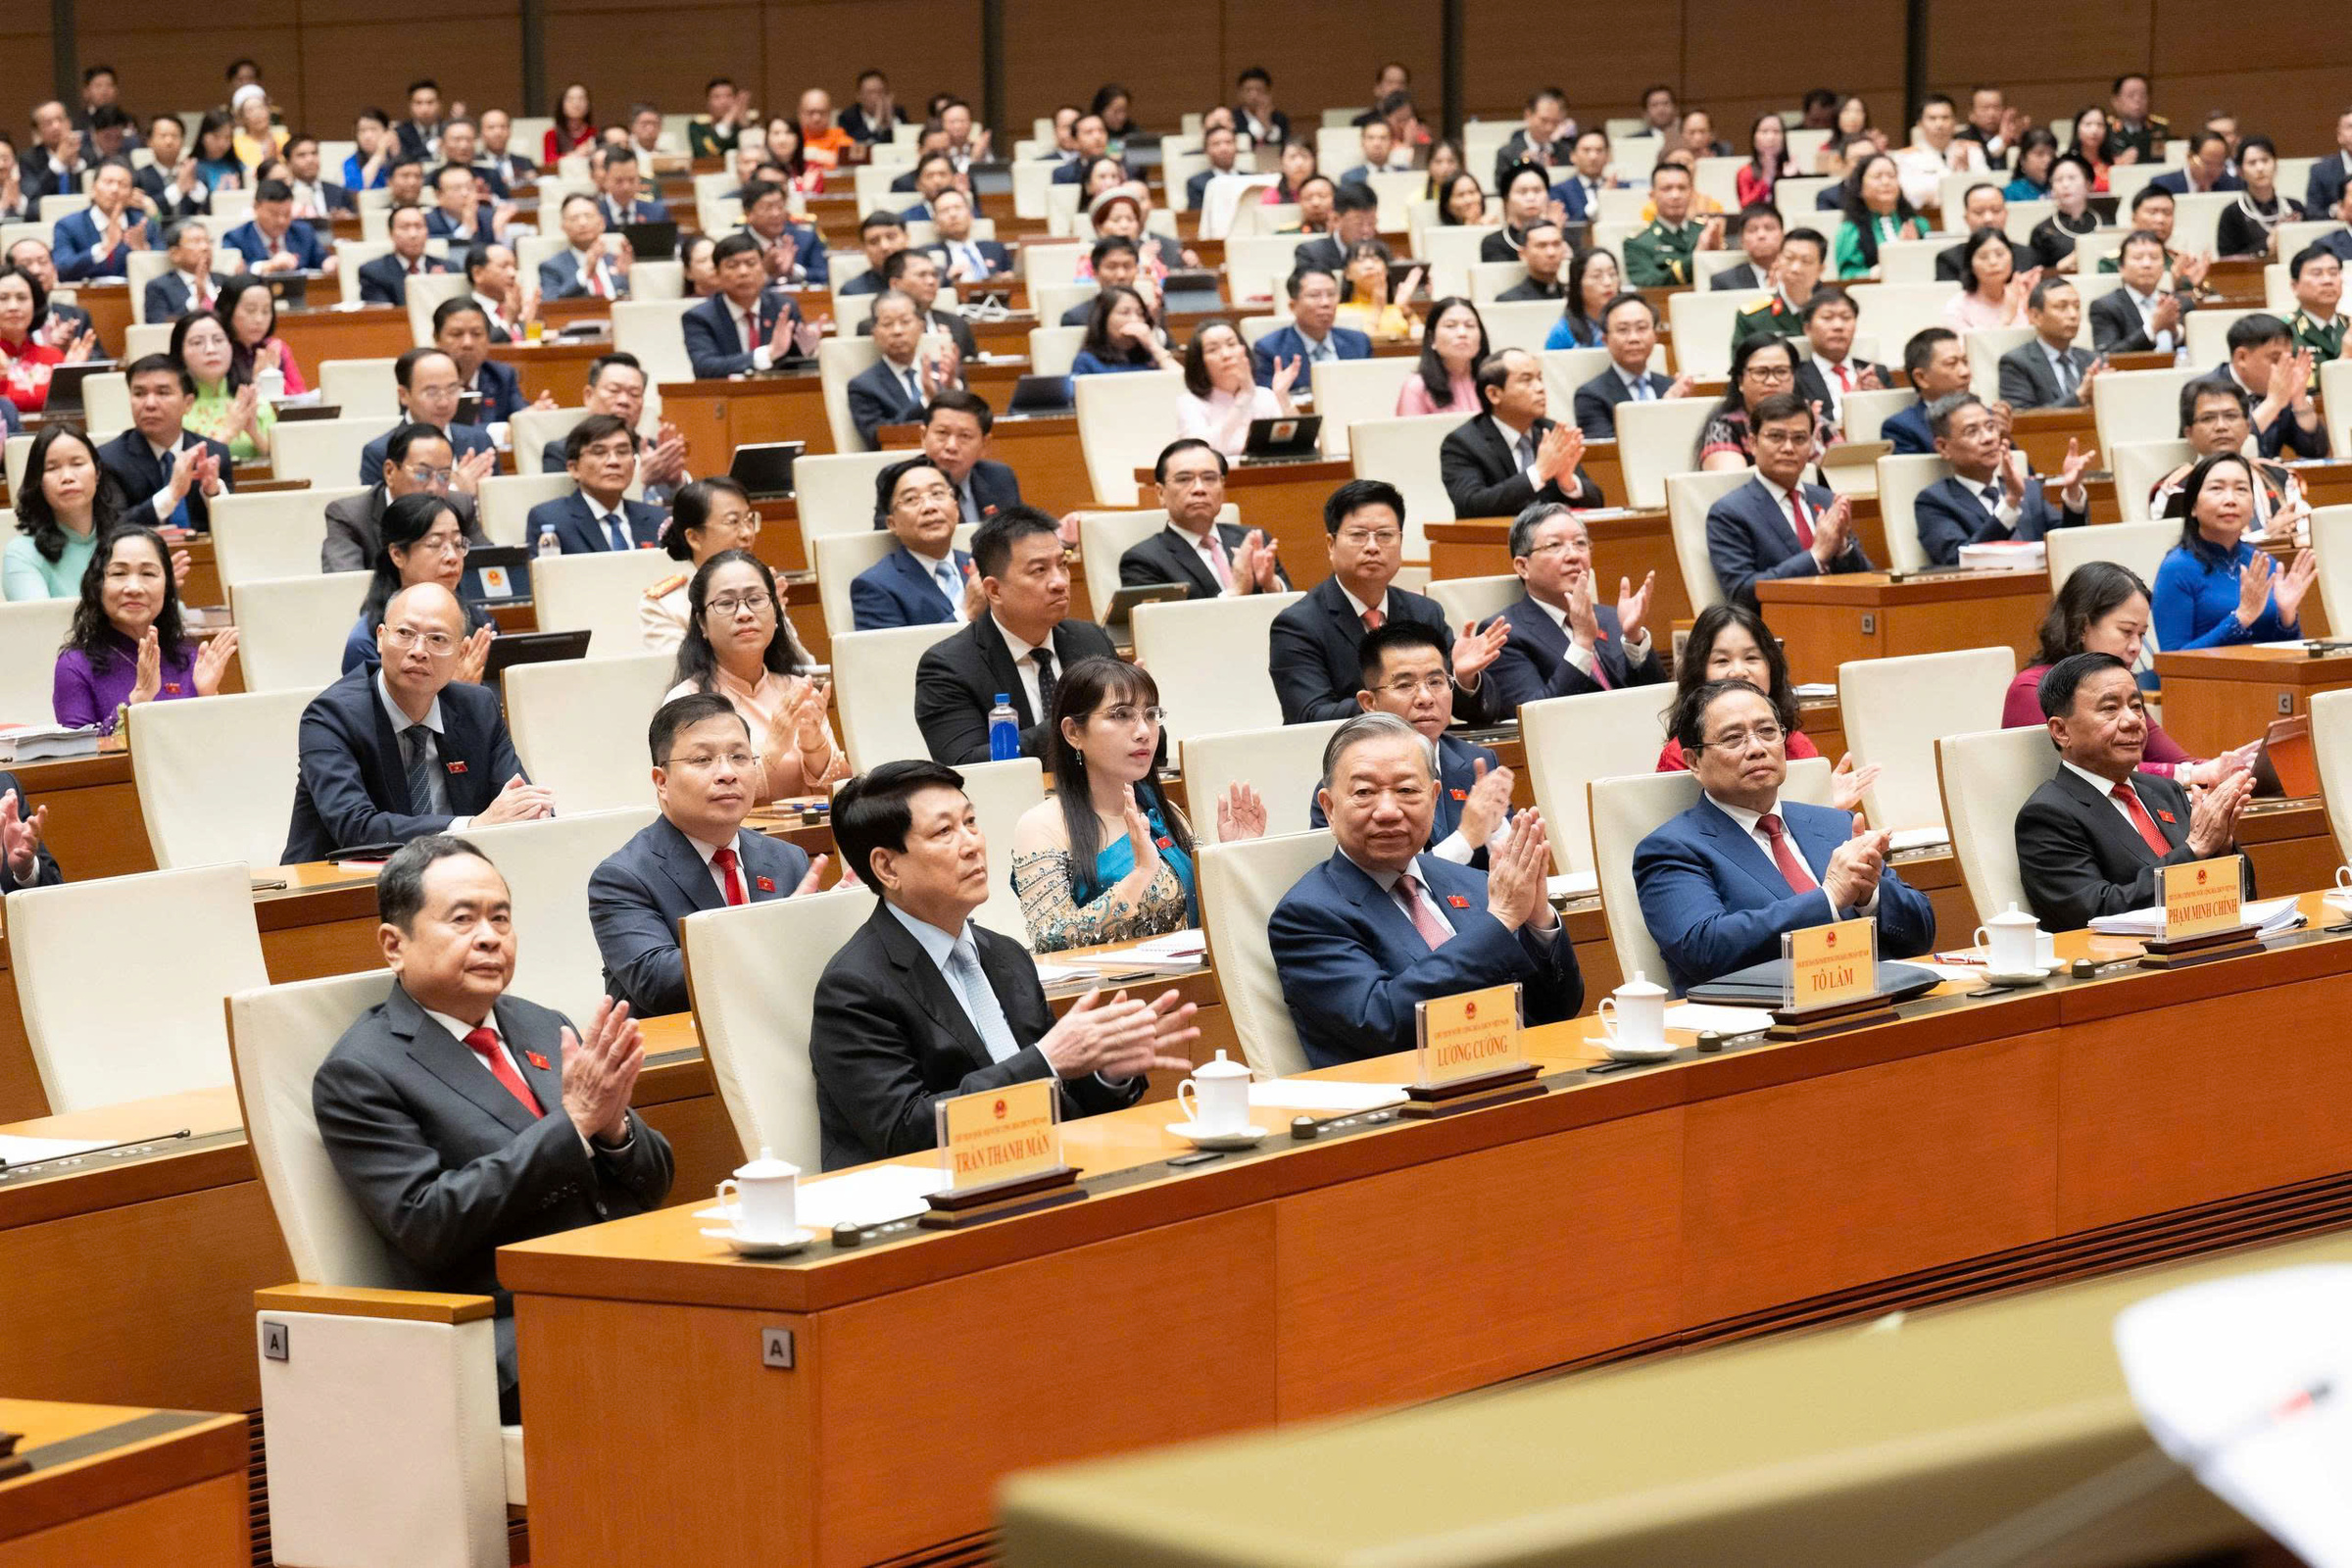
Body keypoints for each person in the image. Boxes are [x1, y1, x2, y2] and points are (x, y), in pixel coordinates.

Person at [314, 834, 673, 1423]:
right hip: (504, 1329)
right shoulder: (362, 1071)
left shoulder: (541, 1025)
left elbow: (654, 1182)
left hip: (620, 1286)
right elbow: (429, 1225)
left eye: (500, 918)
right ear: (394, 945)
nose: (489, 937)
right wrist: (575, 1126)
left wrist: (613, 1132)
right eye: (463, 920)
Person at [809, 759, 1191, 1168]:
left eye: (971, 822)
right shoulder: (854, 987)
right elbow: (904, 1132)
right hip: (925, 1195)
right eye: (944, 832)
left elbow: (1060, 1104)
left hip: (1036, 1173)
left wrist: (1104, 1074)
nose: (971, 844)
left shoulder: (1006, 956)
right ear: (887, 867)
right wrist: (1045, 1060)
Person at [1268, 713, 1579, 1067]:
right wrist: (1502, 920)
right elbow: (1382, 1022)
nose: (1388, 811)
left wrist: (1538, 921)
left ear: (1433, 798)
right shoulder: (1307, 914)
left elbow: (1556, 1010)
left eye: (1406, 790)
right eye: (1364, 792)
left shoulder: (1473, 883)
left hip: (1517, 1074)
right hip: (1399, 1095)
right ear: (1329, 807)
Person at [1635, 678, 1935, 994]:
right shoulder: (1672, 848)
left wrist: (1869, 897)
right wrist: (1829, 898)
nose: (1757, 749)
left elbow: (1922, 934)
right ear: (1694, 761)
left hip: (1874, 999)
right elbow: (1704, 948)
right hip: (1762, 1016)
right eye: (1733, 738)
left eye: (1767, 732)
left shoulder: (1834, 824)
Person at [589, 693, 828, 1019]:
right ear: (662, 781)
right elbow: (658, 984)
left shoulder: (788, 859)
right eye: (703, 760)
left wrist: (836, 921)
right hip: (685, 1043)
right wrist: (773, 933)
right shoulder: (623, 877)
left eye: (739, 757)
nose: (727, 773)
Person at [284, 584, 551, 861]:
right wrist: (471, 827)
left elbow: (519, 803)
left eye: (437, 639)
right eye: (405, 633)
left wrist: (533, 812)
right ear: (380, 638)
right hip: (336, 882)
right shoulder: (331, 717)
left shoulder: (478, 708)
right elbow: (355, 828)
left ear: (461, 652)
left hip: (456, 876)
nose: (419, 650)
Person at [1013, 658, 1262, 952]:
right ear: (1073, 732)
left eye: (1151, 715)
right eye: (1121, 715)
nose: (1144, 731)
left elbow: (1207, 915)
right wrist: (1141, 874)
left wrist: (1232, 856)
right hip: (1107, 981)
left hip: (1191, 976)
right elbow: (1049, 939)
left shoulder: (1166, 812)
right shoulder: (1042, 825)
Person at [2016, 653, 2256, 933]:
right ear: (2061, 731)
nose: (2132, 720)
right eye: (2110, 708)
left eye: (2136, 706)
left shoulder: (2164, 791)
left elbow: (2245, 898)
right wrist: (2194, 849)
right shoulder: (2048, 815)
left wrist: (2222, 849)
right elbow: (2093, 915)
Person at [1271, 479, 1507, 725]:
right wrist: (1392, 701)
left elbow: (1483, 712)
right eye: (1358, 535)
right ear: (1331, 545)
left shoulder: (1423, 612)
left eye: (1385, 535)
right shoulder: (1298, 625)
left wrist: (1463, 678)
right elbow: (1309, 717)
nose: (1372, 547)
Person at [2002, 563, 2251, 786]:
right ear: (2083, 626)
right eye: (2126, 631)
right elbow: (2089, 773)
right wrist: (2192, 773)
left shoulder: (2121, 686)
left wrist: (2233, 767)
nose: (2136, 647)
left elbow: (2178, 761)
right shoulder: (2031, 689)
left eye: (2141, 635)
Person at [913, 507, 1117, 761]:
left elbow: (1143, 741)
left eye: (1062, 565)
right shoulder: (948, 667)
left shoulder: (1092, 640)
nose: (1060, 582)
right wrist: (1083, 721)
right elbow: (966, 761)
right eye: (1039, 570)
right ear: (994, 590)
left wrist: (1135, 711)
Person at [1308, 619, 1516, 861]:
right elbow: (1362, 879)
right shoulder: (1346, 786)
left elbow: (1514, 864)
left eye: (1436, 682)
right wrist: (1467, 837)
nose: (1426, 698)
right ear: (1369, 703)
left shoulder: (1477, 762)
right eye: (1405, 685)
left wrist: (1498, 828)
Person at [661, 548, 847, 805]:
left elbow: (843, 795)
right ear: (702, 623)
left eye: (756, 599)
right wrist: (773, 748)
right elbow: (697, 800)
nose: (744, 613)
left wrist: (815, 747)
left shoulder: (797, 689)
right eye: (726, 603)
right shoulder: (686, 700)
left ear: (776, 613)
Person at [50, 524, 233, 730]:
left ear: (167, 586)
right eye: (119, 573)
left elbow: (215, 741)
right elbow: (79, 750)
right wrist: (138, 699)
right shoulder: (75, 666)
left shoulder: (188, 658)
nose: (134, 588)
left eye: (148, 573)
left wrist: (208, 696)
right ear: (97, 584)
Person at [1482, 502, 1663, 709]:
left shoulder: (1612, 618)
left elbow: (1661, 702)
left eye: (1580, 543)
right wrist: (1582, 643)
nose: (1574, 556)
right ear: (1523, 566)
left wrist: (1634, 639)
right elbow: (1533, 716)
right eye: (1554, 545)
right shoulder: (1504, 635)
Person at [1705, 392, 1870, 609]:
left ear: (1811, 444)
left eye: (1799, 439)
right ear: (1753, 443)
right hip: (1777, 623)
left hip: (1840, 615)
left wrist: (1842, 549)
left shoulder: (1827, 499)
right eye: (1776, 437)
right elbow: (1741, 592)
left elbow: (1868, 581)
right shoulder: (1729, 512)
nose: (1788, 448)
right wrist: (1816, 556)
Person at [2151, 453, 2317, 653]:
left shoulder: (2261, 562)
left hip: (2269, 671)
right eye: (2216, 488)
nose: (2230, 500)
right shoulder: (2177, 568)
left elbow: (2290, 652)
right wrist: (2241, 618)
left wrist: (2287, 616)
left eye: (2241, 489)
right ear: (2193, 506)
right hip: (2210, 674)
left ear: (2252, 506)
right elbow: (2172, 661)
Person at [1914, 393, 2091, 565]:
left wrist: (2073, 493)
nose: (1989, 438)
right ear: (1943, 447)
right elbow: (1956, 560)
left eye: (1990, 427)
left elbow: (2069, 545)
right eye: (1972, 431)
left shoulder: (2029, 489)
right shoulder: (1934, 501)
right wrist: (2011, 503)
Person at [341, 492, 495, 676]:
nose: (452, 557)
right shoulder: (365, 642)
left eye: (457, 543)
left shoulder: (482, 623)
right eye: (435, 544)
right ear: (398, 555)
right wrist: (457, 690)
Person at [1441, 348, 1605, 517]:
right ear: (1494, 394)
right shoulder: (1463, 443)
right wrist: (1538, 473)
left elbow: (1597, 501)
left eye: (1539, 378)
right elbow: (1471, 505)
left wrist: (1568, 483)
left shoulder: (1550, 431)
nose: (1540, 388)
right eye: (1526, 380)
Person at [1119, 438, 1287, 601]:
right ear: (1161, 493)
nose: (1199, 489)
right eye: (1184, 479)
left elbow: (1294, 612)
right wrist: (1235, 594)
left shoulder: (1254, 541)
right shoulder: (1143, 561)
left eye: (1209, 478)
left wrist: (1271, 585)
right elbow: (1161, 620)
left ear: (1222, 485)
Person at [97, 355, 234, 534]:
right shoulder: (109, 459)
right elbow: (114, 528)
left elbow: (232, 528)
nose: (149, 404)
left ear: (188, 403)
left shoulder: (215, 454)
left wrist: (212, 493)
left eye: (162, 393)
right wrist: (172, 494)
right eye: (139, 394)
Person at [325, 423, 488, 573]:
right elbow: (347, 586)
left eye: (444, 475)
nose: (433, 487)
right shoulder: (350, 517)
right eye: (422, 474)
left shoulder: (460, 506)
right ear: (390, 472)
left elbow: (490, 568)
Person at [2151, 379, 2306, 528]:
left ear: (2247, 427)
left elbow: (2305, 531)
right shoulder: (2175, 489)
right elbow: (2171, 542)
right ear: (2189, 433)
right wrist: (2268, 538)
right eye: (2208, 418)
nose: (2221, 426)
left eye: (2231, 416)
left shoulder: (2279, 476)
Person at [853, 458, 976, 629]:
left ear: (956, 509)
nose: (929, 507)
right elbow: (890, 647)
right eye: (911, 499)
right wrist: (966, 613)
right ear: (892, 523)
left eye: (937, 493)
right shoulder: (875, 586)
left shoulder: (984, 565)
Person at [680, 231, 817, 381]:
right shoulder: (699, 318)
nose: (743, 272)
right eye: (732, 266)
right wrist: (767, 354)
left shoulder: (783, 307)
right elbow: (705, 368)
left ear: (763, 268)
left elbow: (795, 365)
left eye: (751, 263)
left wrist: (808, 351)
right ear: (717, 273)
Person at [528, 415, 665, 554]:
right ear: (574, 468)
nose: (614, 461)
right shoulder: (550, 519)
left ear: (634, 464)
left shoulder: (657, 518)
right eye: (599, 452)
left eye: (622, 452)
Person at [355, 347, 494, 482]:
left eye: (452, 389)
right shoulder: (380, 453)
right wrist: (456, 490)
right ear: (403, 395)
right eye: (431, 392)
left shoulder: (479, 442)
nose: (444, 402)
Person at [847, 291, 960, 447]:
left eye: (905, 321)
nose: (897, 331)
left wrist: (953, 392)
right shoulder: (863, 386)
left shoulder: (945, 372)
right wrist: (926, 401)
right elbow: (876, 436)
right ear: (874, 333)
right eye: (887, 324)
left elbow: (969, 423)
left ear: (921, 327)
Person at [1572, 294, 1690, 438]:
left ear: (1655, 336)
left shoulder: (1670, 386)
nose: (1634, 338)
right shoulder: (1591, 396)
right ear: (1605, 339)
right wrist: (1664, 409)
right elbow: (1608, 450)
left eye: (1641, 328)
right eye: (1623, 330)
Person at [1172, 318, 1296, 454]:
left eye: (1231, 344)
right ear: (1200, 362)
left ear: (1244, 351)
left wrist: (1283, 398)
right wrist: (1243, 399)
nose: (1226, 355)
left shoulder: (1265, 396)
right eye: (1212, 349)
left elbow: (1298, 447)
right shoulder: (1190, 403)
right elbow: (1200, 453)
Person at [2216, 314, 2328, 460]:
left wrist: (2299, 400)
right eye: (2276, 359)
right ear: (2242, 358)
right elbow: (2228, 452)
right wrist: (2273, 403)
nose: (2286, 366)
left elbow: (2316, 450)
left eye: (2289, 358)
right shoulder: (2209, 394)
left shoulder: (2278, 389)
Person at [1697, 334, 1818, 469]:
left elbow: (1835, 467)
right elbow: (1734, 479)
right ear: (1740, 381)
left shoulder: (1811, 419)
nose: (1772, 381)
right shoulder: (1724, 427)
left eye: (1781, 372)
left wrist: (1814, 444)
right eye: (1761, 372)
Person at [1250, 266, 1372, 386]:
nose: (1326, 303)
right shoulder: (1270, 349)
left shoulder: (1359, 342)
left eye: (1331, 294)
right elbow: (1268, 395)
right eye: (1314, 295)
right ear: (1292, 306)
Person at [852, 249, 981, 360]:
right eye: (921, 275)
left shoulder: (957, 324)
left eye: (934, 275)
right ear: (895, 284)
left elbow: (971, 371)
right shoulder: (871, 327)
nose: (931, 281)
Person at [1996, 278, 2102, 410]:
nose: (2073, 315)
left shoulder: (2094, 360)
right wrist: (2078, 397)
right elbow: (2022, 417)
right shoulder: (2016, 363)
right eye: (2062, 307)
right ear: (2035, 316)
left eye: (2077, 307)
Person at [1790, 286, 1888, 427]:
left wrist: (1881, 397)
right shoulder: (1795, 376)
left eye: (1846, 318)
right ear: (1808, 329)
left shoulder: (1878, 372)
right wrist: (1852, 404)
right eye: (1827, 318)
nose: (1838, 326)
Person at [2089, 229, 2194, 356]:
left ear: (2163, 266)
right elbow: (2106, 356)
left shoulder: (2181, 303)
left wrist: (2175, 332)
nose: (2147, 264)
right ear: (2121, 267)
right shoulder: (2105, 307)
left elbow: (2199, 348)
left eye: (2154, 258)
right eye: (2138, 258)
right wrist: (2152, 329)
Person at [1831, 152, 1928, 279]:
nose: (1886, 182)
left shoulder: (1918, 224)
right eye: (1877, 176)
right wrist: (1875, 273)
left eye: (1891, 176)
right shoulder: (1850, 230)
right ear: (1860, 186)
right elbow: (1846, 275)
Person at [1624, 162, 1722, 286]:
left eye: (1682, 188)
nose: (1675, 195)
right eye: (1667, 189)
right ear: (1652, 195)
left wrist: (1717, 250)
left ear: (1692, 193)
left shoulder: (1705, 232)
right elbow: (1650, 285)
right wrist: (1697, 255)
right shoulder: (1638, 244)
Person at [52, 158, 149, 280]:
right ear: (93, 189)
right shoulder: (68, 226)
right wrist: (105, 247)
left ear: (131, 193)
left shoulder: (143, 225)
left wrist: (142, 251)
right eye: (108, 182)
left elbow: (162, 273)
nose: (115, 189)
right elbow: (62, 269)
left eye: (123, 185)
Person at [1883, 326, 1971, 454]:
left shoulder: (1987, 416)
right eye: (1951, 364)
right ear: (1921, 378)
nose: (1965, 372)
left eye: (1965, 362)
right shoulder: (1902, 428)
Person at [2212, 136, 2302, 260]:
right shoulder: (2232, 214)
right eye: (2252, 163)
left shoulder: (2295, 207)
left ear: (2275, 165)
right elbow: (2227, 261)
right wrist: (2267, 244)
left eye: (2265, 160)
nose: (2260, 168)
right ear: (2240, 171)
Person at [1071, 284, 1179, 384]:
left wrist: (1154, 346)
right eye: (1125, 313)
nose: (1135, 320)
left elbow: (1182, 385)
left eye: (1140, 313)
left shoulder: (1151, 357)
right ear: (1103, 319)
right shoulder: (1086, 361)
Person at [1396, 298, 1486, 416]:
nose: (1462, 333)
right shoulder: (1417, 387)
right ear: (1432, 338)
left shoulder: (1493, 382)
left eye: (1470, 325)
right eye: (1450, 326)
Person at [220, 179, 331, 272]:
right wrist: (269, 266)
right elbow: (233, 273)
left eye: (287, 214)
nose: (281, 221)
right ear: (256, 207)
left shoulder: (303, 232)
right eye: (274, 214)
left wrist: (330, 263)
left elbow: (321, 261)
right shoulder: (236, 238)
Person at [1941, 227, 2038, 331]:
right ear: (1970, 264)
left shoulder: (2023, 296)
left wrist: (2033, 305)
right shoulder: (1957, 307)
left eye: (2000, 254)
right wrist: (2007, 318)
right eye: (1983, 257)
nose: (1993, 262)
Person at [538, 194, 626, 301]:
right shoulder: (551, 267)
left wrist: (628, 276)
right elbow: (550, 303)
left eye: (588, 216)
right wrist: (585, 272)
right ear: (563, 227)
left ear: (602, 223)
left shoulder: (617, 261)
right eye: (574, 218)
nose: (582, 223)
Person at [2028, 156, 2101, 270]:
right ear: (2052, 189)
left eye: (2072, 178)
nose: (2065, 184)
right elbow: (2036, 275)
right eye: (2058, 180)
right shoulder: (2042, 231)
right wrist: (2061, 266)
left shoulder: (2106, 222)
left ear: (2088, 184)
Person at [1493, 88, 1572, 189]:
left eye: (1555, 122)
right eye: (1544, 120)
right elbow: (1501, 188)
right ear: (1528, 115)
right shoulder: (1507, 153)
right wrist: (1519, 166)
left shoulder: (1565, 152)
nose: (1549, 128)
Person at [927, 187, 1008, 283]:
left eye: (958, 208)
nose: (953, 214)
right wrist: (948, 279)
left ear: (971, 215)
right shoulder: (929, 255)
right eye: (945, 210)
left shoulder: (996, 249)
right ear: (936, 222)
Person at [143, 219, 217, 323]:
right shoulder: (159, 287)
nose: (205, 247)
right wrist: (197, 300)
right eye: (196, 242)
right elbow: (158, 325)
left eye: (208, 241)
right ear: (175, 254)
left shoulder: (225, 281)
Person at [1545, 248, 1620, 350]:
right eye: (1597, 276)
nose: (1608, 282)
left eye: (1612, 274)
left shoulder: (1632, 322)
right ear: (1578, 284)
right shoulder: (1562, 333)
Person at [1482, 164, 1555, 264]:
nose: (1531, 198)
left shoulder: (1561, 236)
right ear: (1507, 200)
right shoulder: (1493, 243)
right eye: (1522, 192)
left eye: (1537, 191)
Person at [2285, 246, 2344, 363]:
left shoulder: (2348, 327)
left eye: (2333, 273)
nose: (2327, 280)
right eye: (2317, 274)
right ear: (2295, 286)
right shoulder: (2285, 333)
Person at [1709, 206, 1786, 293]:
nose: (1761, 235)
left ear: (1783, 234)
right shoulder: (1724, 282)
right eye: (1752, 230)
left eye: (1769, 228)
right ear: (1741, 239)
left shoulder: (1796, 273)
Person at [1494, 220, 1569, 303]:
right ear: (1523, 254)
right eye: (1541, 246)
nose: (1551, 252)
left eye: (1556, 244)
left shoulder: (1575, 294)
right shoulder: (1509, 301)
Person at [1739, 115, 1797, 208]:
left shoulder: (1792, 169)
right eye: (1764, 131)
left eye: (1776, 131)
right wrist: (1766, 180)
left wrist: (1792, 179)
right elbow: (1746, 207)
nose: (1771, 137)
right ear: (1754, 137)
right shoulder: (1746, 172)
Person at [840, 70, 904, 145]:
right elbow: (850, 142)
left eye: (881, 91)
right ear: (859, 96)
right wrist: (875, 122)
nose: (877, 96)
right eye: (871, 92)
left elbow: (907, 138)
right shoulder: (848, 117)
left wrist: (891, 120)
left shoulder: (898, 112)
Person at [544, 82, 596, 166]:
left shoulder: (594, 133)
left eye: (581, 99)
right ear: (562, 105)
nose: (576, 104)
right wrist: (577, 154)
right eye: (570, 99)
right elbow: (550, 163)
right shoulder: (552, 134)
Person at [2004, 129, 2059, 200]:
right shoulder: (2010, 193)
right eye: (2040, 154)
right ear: (2023, 160)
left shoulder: (2062, 189)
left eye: (2052, 155)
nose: (2048, 160)